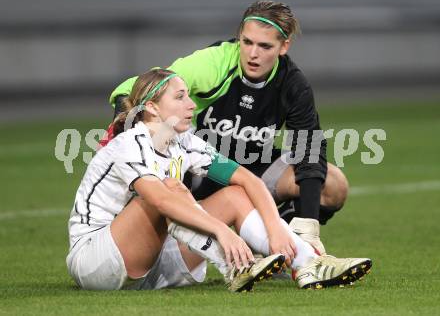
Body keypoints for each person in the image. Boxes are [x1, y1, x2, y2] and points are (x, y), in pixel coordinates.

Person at [67, 69, 371, 291]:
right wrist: (223, 233)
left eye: (189, 95)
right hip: (97, 261)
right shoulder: (130, 142)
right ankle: (235, 265)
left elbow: (249, 181)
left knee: (234, 194)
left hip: (152, 262)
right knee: (171, 189)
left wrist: (277, 234)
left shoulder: (184, 141)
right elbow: (160, 201)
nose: (191, 105)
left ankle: (307, 264)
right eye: (180, 97)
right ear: (151, 108)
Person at [107, 0, 348, 255]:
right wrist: (129, 133)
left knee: (332, 185)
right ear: (239, 38)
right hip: (203, 168)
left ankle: (282, 247)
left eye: (265, 46)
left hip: (254, 168)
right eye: (247, 42)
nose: (253, 53)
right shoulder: (214, 63)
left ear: (283, 46)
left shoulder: (292, 84)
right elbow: (129, 89)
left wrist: (308, 222)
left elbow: (309, 151)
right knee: (157, 152)